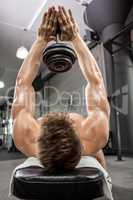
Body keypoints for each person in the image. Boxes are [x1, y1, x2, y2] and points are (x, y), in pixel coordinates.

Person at [11, 6, 110, 173]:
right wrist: (76, 37)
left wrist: (41, 40)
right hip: (89, 146)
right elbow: (96, 81)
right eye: (72, 122)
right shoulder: (93, 136)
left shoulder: (25, 137)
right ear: (80, 140)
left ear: (38, 137)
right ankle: (104, 181)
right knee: (97, 152)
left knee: (96, 149)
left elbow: (22, 83)